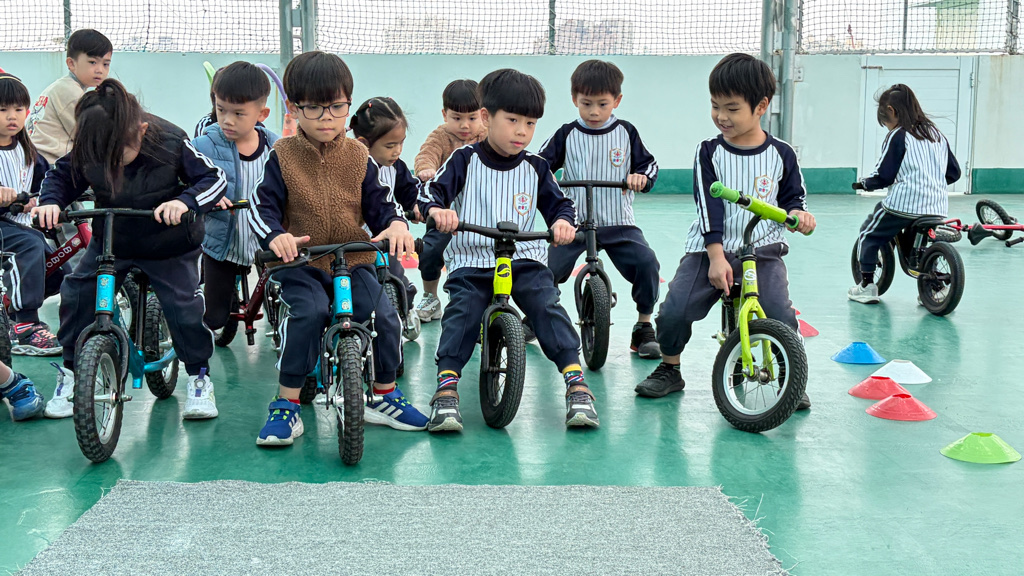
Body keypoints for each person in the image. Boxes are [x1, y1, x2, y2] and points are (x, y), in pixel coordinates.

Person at [248, 51, 428, 446]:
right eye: (314, 108)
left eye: (336, 106)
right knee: (309, 313)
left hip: (353, 257)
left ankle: (384, 394)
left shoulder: (359, 156)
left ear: (348, 104)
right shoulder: (282, 156)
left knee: (384, 314)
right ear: (294, 109)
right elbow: (262, 208)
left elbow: (381, 205)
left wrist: (395, 224)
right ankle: (287, 402)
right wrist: (276, 236)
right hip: (301, 261)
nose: (326, 117)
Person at [33, 79, 227, 421]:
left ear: (141, 130)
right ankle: (71, 372)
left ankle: (199, 377)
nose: (110, 163)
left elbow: (213, 179)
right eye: (101, 155)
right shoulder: (92, 144)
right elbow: (60, 177)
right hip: (115, 239)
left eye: (117, 154)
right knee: (77, 292)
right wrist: (50, 202)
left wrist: (185, 202)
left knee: (183, 307)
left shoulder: (170, 141)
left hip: (169, 244)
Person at [418, 68, 599, 432]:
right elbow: (429, 192)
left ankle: (576, 382)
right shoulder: (464, 160)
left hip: (524, 258)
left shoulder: (536, 167)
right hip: (473, 259)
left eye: (530, 124)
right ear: (487, 117)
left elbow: (561, 205)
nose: (522, 132)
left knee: (546, 306)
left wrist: (563, 223)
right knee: (463, 313)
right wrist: (437, 210)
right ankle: (447, 389)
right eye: (513, 120)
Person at [634, 53, 816, 410]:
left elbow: (793, 198)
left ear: (761, 106)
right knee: (674, 310)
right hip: (709, 250)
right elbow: (708, 206)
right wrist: (716, 257)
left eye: (732, 108)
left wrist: (799, 215)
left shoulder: (782, 154)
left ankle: (788, 376)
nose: (721, 116)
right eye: (715, 106)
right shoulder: (709, 151)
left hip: (762, 250)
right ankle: (670, 367)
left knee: (779, 313)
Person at [534, 59, 662, 358]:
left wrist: (641, 178)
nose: (594, 112)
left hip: (618, 222)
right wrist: (546, 180)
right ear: (574, 99)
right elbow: (538, 165)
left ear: (617, 101)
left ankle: (643, 325)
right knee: (545, 270)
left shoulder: (626, 132)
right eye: (586, 104)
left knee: (647, 264)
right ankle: (536, 316)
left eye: (602, 104)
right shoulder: (567, 133)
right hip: (573, 224)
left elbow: (649, 165)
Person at [849, 83, 961, 304]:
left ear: (891, 111)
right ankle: (931, 288)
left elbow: (884, 175)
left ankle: (867, 286)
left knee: (869, 234)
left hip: (904, 205)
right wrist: (932, 182)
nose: (887, 127)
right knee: (922, 245)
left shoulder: (898, 135)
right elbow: (954, 173)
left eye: (885, 122)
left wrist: (866, 184)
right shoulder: (936, 134)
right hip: (937, 206)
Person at [192, 62, 278, 341]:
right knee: (215, 316)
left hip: (266, 239)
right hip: (222, 243)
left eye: (239, 113)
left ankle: (279, 325)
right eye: (221, 110)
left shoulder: (275, 148)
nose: (227, 120)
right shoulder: (204, 146)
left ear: (262, 114)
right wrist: (208, 196)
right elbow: (187, 182)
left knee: (282, 295)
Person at [412, 79, 487, 324]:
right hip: (445, 212)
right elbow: (426, 154)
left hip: (482, 212)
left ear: (483, 115)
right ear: (445, 115)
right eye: (456, 118)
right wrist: (426, 169)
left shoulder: (488, 136)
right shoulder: (441, 136)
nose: (465, 125)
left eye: (472, 118)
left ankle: (490, 298)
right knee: (430, 250)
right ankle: (430, 297)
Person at [0, 72, 63, 357]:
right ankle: (25, 324)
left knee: (60, 271)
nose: (11, 117)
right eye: (3, 110)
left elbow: (47, 182)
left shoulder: (28, 151)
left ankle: (11, 309)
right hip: (5, 226)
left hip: (22, 225)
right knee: (29, 246)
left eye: (18, 110)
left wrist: (48, 199)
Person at [349, 96, 421, 340]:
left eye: (401, 143)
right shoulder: (355, 166)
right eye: (390, 145)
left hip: (385, 242)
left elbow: (410, 191)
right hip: (358, 245)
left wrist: (418, 207)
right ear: (363, 144)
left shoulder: (396, 166)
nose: (397, 151)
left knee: (397, 278)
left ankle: (406, 306)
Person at [26, 29, 112, 164]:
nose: (100, 70)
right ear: (71, 64)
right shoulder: (70, 92)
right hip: (48, 164)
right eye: (92, 62)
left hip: (38, 159)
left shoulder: (63, 86)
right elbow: (88, 137)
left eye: (105, 64)